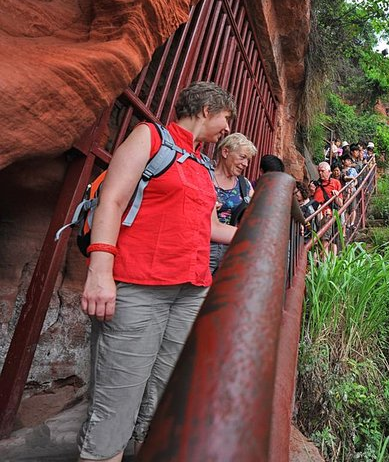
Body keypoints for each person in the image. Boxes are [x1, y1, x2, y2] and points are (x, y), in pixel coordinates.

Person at [77, 81, 238, 462]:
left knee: (164, 392)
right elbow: (112, 200)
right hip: (140, 286)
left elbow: (210, 226)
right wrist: (100, 271)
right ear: (206, 110)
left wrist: (263, 231)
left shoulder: (200, 163)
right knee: (118, 397)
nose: (227, 128)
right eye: (226, 118)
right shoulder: (150, 138)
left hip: (190, 291)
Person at [209, 132, 257, 274]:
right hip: (201, 249)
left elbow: (258, 213)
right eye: (242, 157)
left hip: (232, 252)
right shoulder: (204, 175)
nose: (245, 164)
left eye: (248, 160)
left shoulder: (244, 185)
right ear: (225, 152)